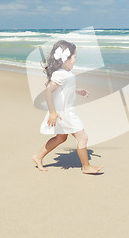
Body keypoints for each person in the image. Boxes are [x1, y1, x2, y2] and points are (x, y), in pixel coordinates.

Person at [32, 40, 103, 174]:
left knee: (61, 138)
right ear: (65, 59)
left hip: (66, 111)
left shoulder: (66, 72)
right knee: (83, 137)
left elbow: (65, 87)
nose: (76, 60)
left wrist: (78, 90)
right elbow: (48, 90)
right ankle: (86, 166)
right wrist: (52, 113)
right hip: (64, 113)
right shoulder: (60, 73)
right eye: (74, 57)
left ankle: (38, 156)